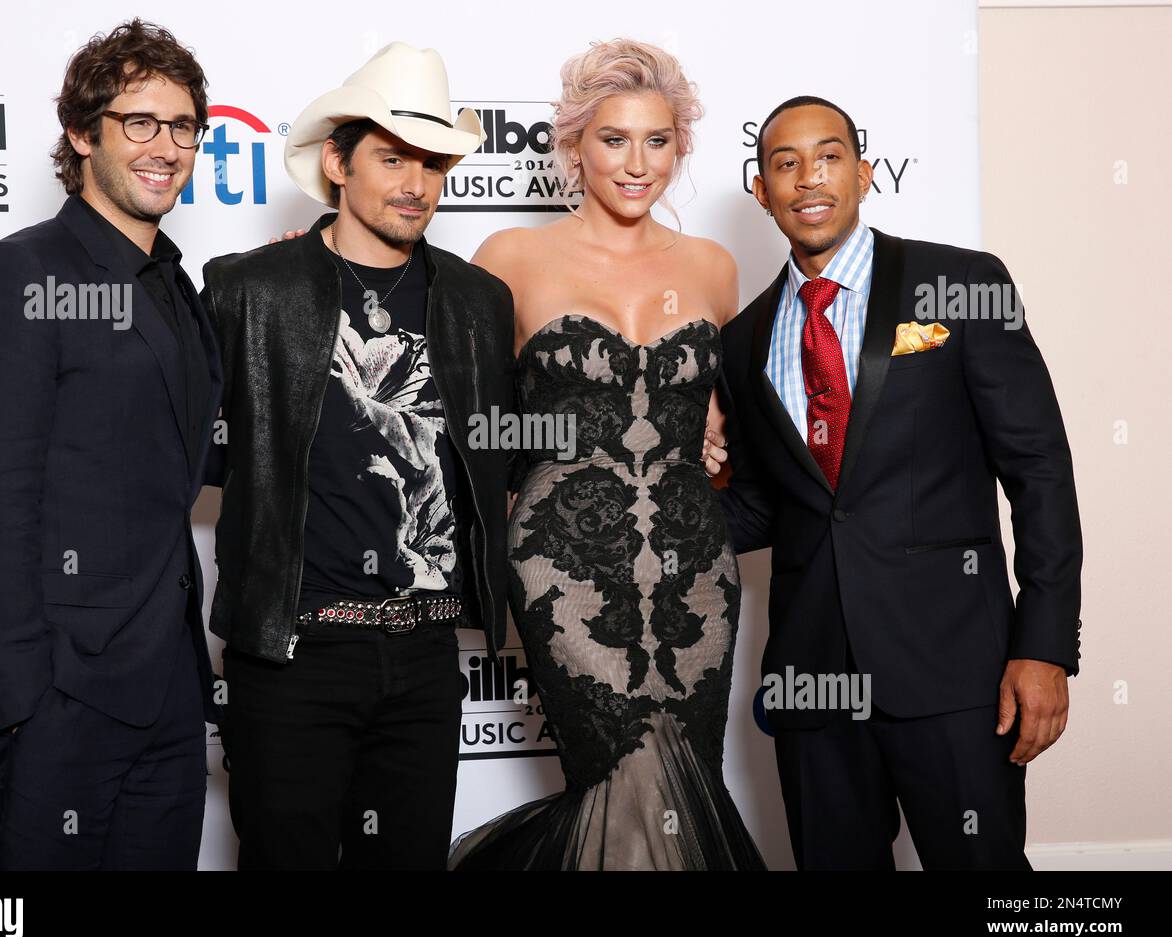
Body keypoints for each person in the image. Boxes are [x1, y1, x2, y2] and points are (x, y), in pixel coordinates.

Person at [717, 96, 1082, 869]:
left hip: (957, 671)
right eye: (785, 163)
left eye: (829, 156)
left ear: (865, 173)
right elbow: (765, 506)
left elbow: (1039, 468)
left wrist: (1045, 646)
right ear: (761, 189)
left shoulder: (961, 283)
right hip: (812, 680)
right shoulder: (742, 337)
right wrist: (652, 494)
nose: (808, 177)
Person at [447, 39, 766, 870]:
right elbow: (472, 425)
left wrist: (715, 436)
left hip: (696, 564)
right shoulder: (510, 260)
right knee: (624, 773)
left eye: (657, 141)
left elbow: (729, 431)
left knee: (683, 775)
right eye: (614, 140)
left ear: (681, 148)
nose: (637, 164)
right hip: (565, 567)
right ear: (575, 146)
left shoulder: (713, 267)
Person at [200, 42, 514, 869]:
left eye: (432, 163)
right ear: (338, 162)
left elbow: (500, 459)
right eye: (392, 157)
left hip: (424, 655)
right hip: (292, 654)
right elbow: (185, 451)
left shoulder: (480, 302)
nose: (416, 184)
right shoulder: (248, 290)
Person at [0, 19, 223, 869]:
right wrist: (22, 703)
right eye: (139, 122)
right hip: (54, 697)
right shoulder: (17, 274)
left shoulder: (177, 285)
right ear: (81, 133)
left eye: (182, 126)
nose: (164, 146)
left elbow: (197, 461)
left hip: (168, 694)